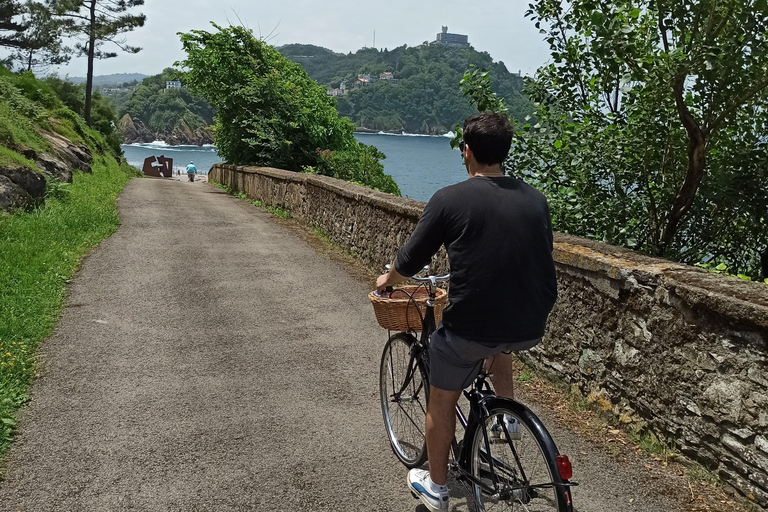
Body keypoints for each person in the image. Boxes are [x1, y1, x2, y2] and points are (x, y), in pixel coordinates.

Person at [375, 112, 558, 511]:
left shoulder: (450, 199)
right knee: (499, 337)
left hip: (470, 329)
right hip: (531, 322)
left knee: (441, 402)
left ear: (468, 153)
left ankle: (437, 489)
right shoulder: (536, 199)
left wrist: (388, 281)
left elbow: (410, 258)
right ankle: (506, 417)